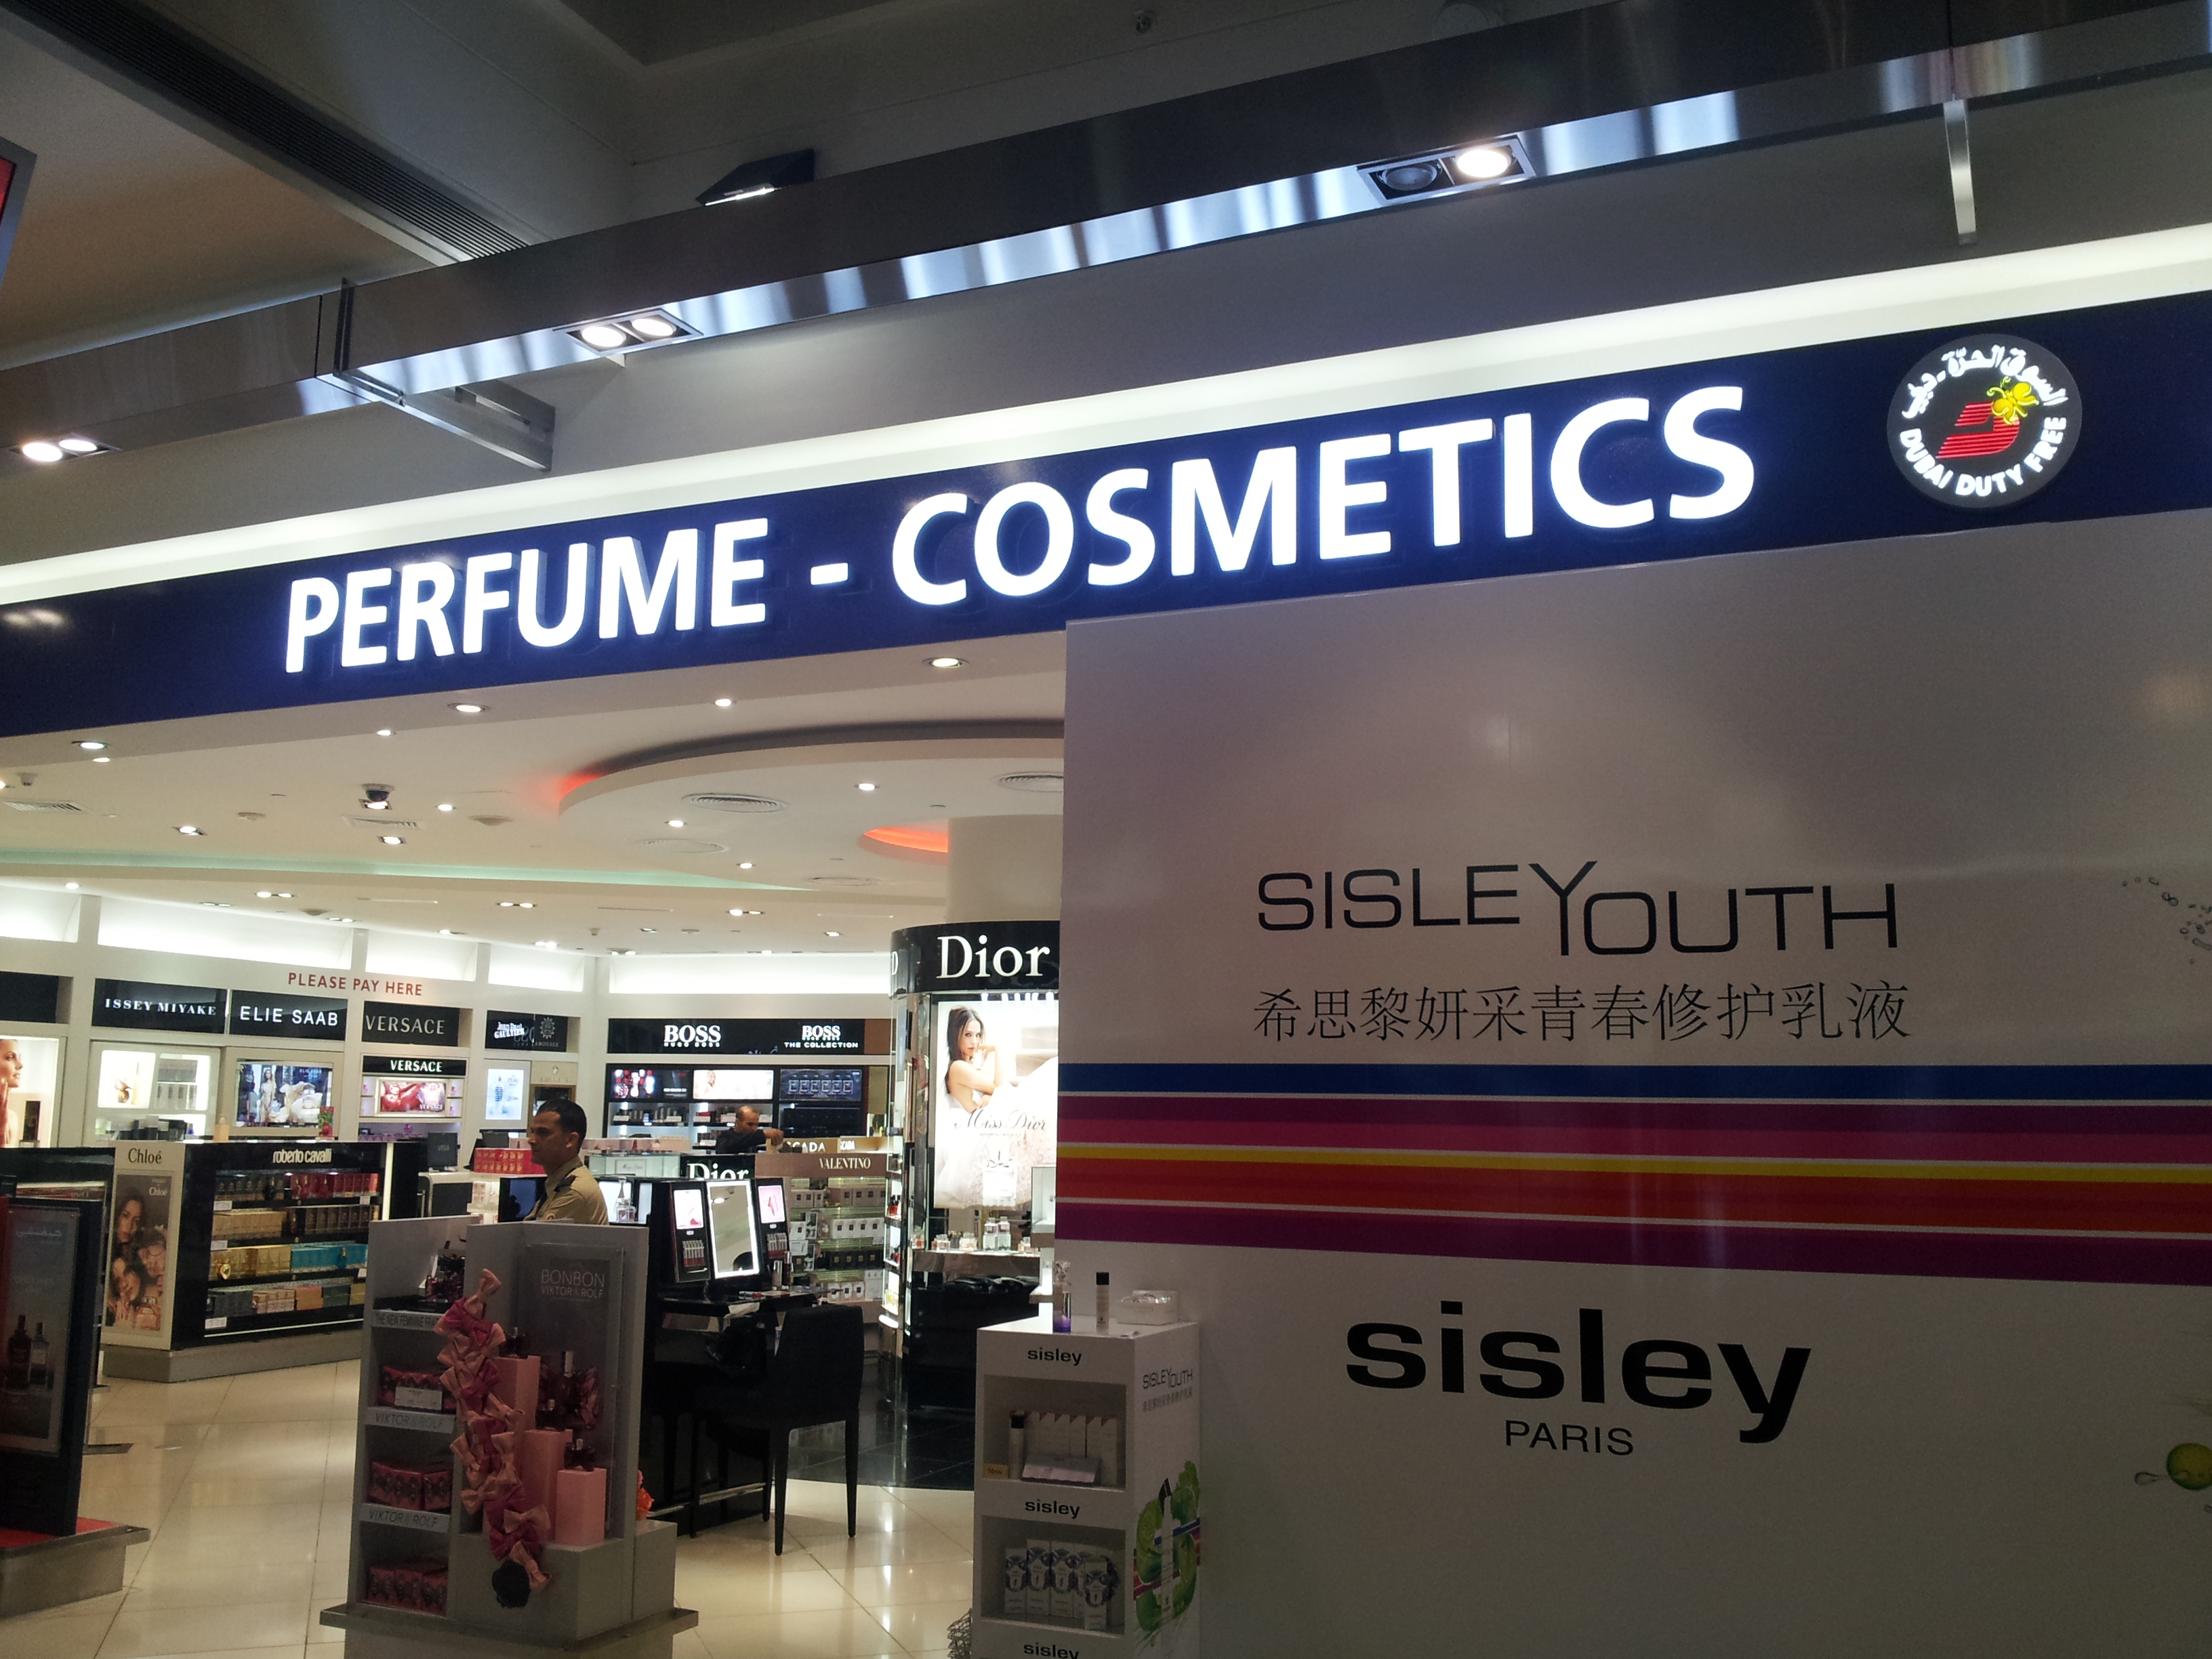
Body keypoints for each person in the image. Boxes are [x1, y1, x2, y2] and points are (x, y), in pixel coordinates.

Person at [524, 1101, 607, 1224]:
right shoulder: (559, 1182)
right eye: (533, 1132)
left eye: (543, 1133)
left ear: (570, 1140)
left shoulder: (575, 1192)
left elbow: (534, 1235)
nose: (532, 1140)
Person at [943, 1006, 1002, 1113]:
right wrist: (996, 1051)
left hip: (984, 1117)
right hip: (978, 1118)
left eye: (978, 1035)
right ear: (955, 1035)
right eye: (968, 1035)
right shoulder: (958, 1067)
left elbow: (996, 1091)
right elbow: (1000, 1090)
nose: (974, 1042)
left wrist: (989, 1097)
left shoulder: (968, 1064)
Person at [712, 1105, 783, 1155]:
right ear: (738, 1122)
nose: (754, 1129)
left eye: (756, 1125)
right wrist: (762, 1134)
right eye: (750, 1124)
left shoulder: (750, 1140)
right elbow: (735, 1145)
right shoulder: (725, 1137)